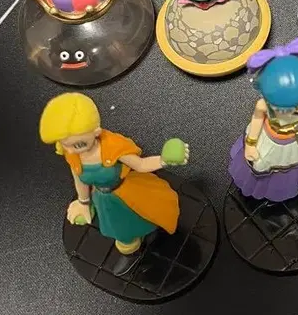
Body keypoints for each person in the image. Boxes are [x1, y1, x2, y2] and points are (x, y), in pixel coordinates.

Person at [39, 93, 188, 274]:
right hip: (105, 201)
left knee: (147, 215)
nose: (70, 150)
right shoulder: (72, 155)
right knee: (122, 232)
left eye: (78, 144)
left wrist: (164, 160)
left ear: (96, 132)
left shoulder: (114, 148)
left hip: (128, 192)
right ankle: (131, 252)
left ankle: (142, 239)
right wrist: (83, 202)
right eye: (65, 144)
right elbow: (78, 177)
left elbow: (140, 165)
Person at [228, 37, 298, 203]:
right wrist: (251, 144)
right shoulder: (263, 105)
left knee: (296, 164)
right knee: (267, 165)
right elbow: (257, 122)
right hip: (272, 139)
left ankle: (291, 184)